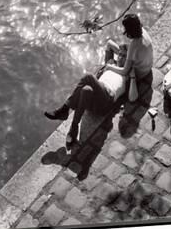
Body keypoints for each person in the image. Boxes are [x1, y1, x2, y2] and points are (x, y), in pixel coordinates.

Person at [44, 13, 153, 145]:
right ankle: (73, 128)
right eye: (122, 54)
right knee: (86, 90)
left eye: (125, 56)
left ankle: (65, 108)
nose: (123, 56)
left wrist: (131, 75)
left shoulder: (127, 74)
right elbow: (109, 44)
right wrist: (118, 56)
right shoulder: (112, 62)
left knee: (88, 77)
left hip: (106, 100)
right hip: (96, 101)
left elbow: (133, 98)